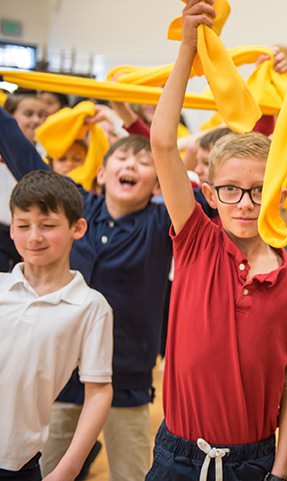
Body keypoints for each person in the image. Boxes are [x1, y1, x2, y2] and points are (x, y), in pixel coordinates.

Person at [145, 2, 287, 480]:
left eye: (259, 190)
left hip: (254, 463)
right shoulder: (196, 239)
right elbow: (161, 142)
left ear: (279, 191)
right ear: (208, 193)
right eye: (231, 191)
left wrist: (281, 468)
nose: (244, 202)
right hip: (175, 457)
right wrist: (187, 51)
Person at [0, 110, 181, 479]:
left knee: (131, 473)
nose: (131, 163)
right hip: (59, 382)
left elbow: (174, 160)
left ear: (159, 181)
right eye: (122, 157)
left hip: (126, 378)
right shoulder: (75, 209)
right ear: (101, 173)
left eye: (144, 161)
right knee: (50, 467)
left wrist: (132, 124)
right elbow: (28, 163)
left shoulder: (161, 221)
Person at [0, 170, 113, 481]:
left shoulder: (91, 307)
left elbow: (99, 391)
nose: (34, 236)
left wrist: (68, 469)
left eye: (48, 226)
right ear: (11, 231)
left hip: (17, 465)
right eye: (23, 226)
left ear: (77, 228)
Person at [1, 91, 48, 273]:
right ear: (10, 116)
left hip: (37, 234)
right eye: (28, 114)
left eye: (42, 115)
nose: (36, 120)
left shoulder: (53, 153)